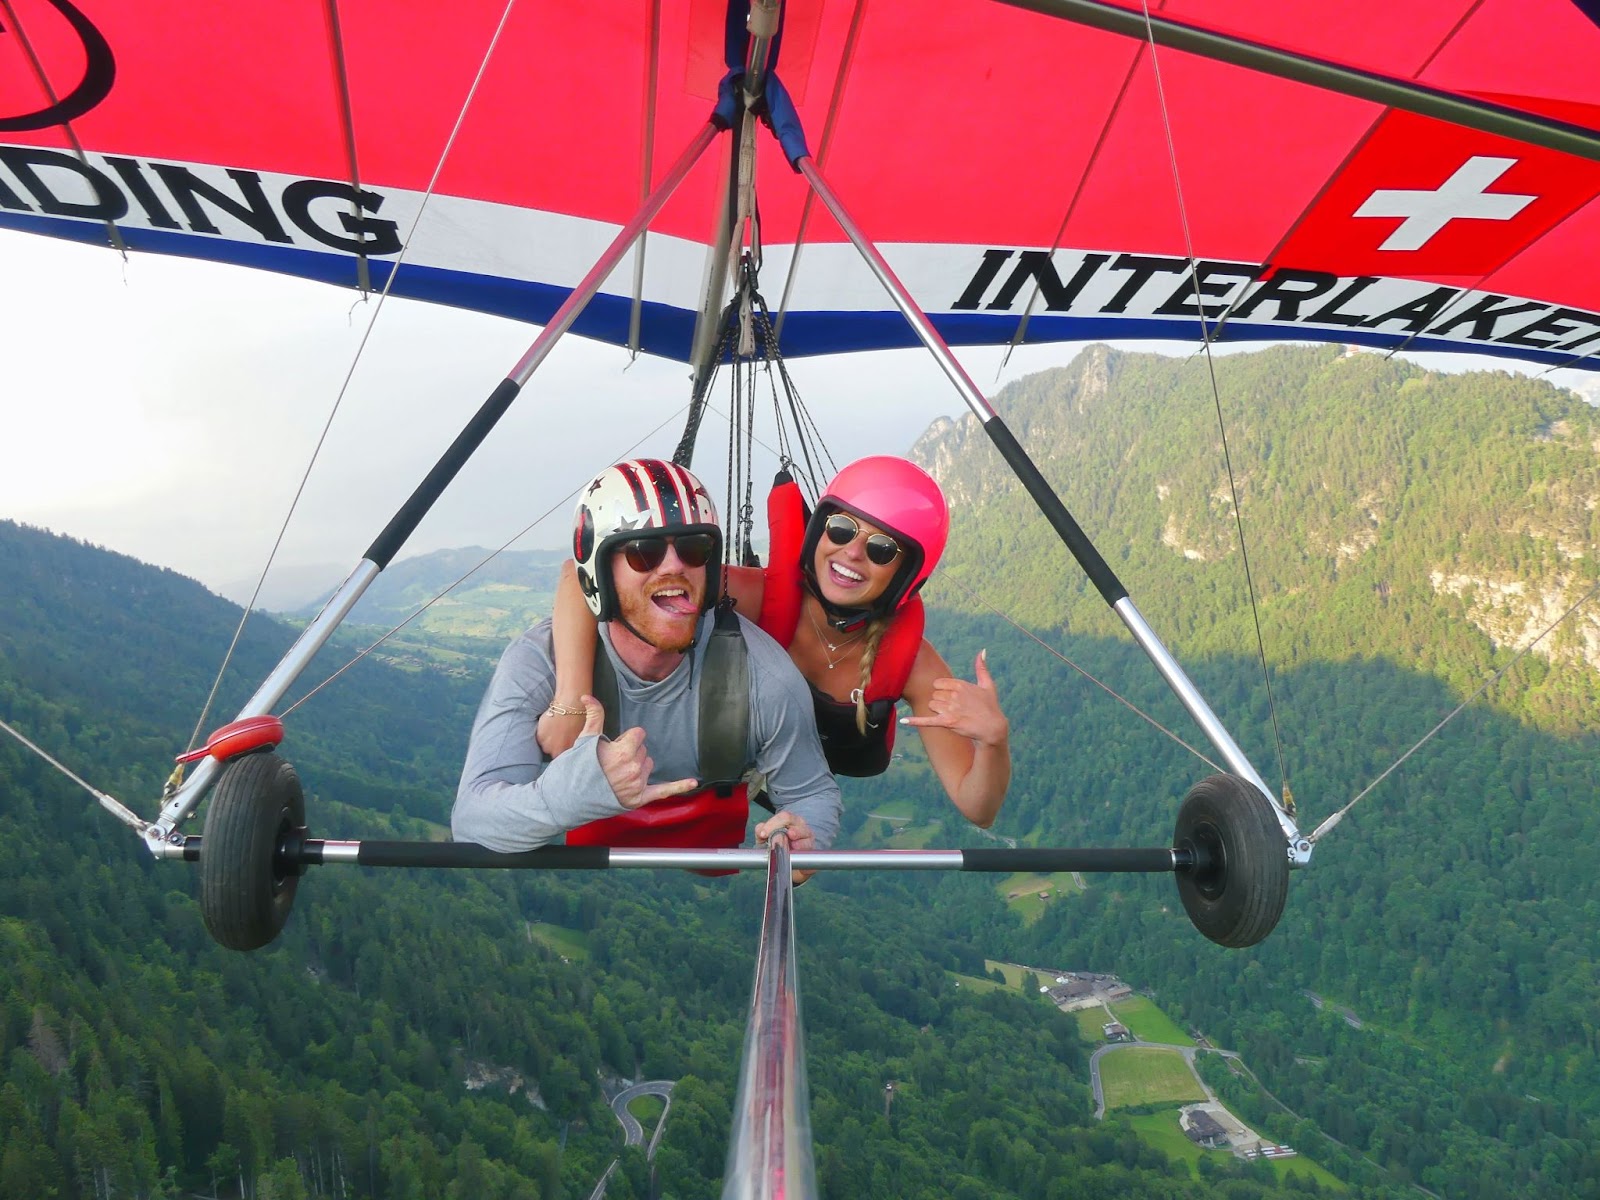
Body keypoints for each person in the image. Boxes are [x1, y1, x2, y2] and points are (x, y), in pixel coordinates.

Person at [539, 456, 1010, 828]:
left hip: (804, 791)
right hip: (732, 776)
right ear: (818, 529)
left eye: (881, 549)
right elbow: (577, 579)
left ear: (906, 573)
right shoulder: (759, 595)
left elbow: (978, 808)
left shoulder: (913, 664)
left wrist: (992, 742)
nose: (851, 553)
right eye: (842, 529)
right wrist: (569, 702)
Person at [453, 458, 842, 860]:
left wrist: (805, 837)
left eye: (694, 549)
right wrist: (571, 794)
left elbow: (811, 791)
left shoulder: (763, 675)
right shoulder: (540, 664)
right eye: (645, 552)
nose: (675, 566)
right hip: (597, 873)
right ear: (601, 573)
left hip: (709, 861)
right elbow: (473, 821)